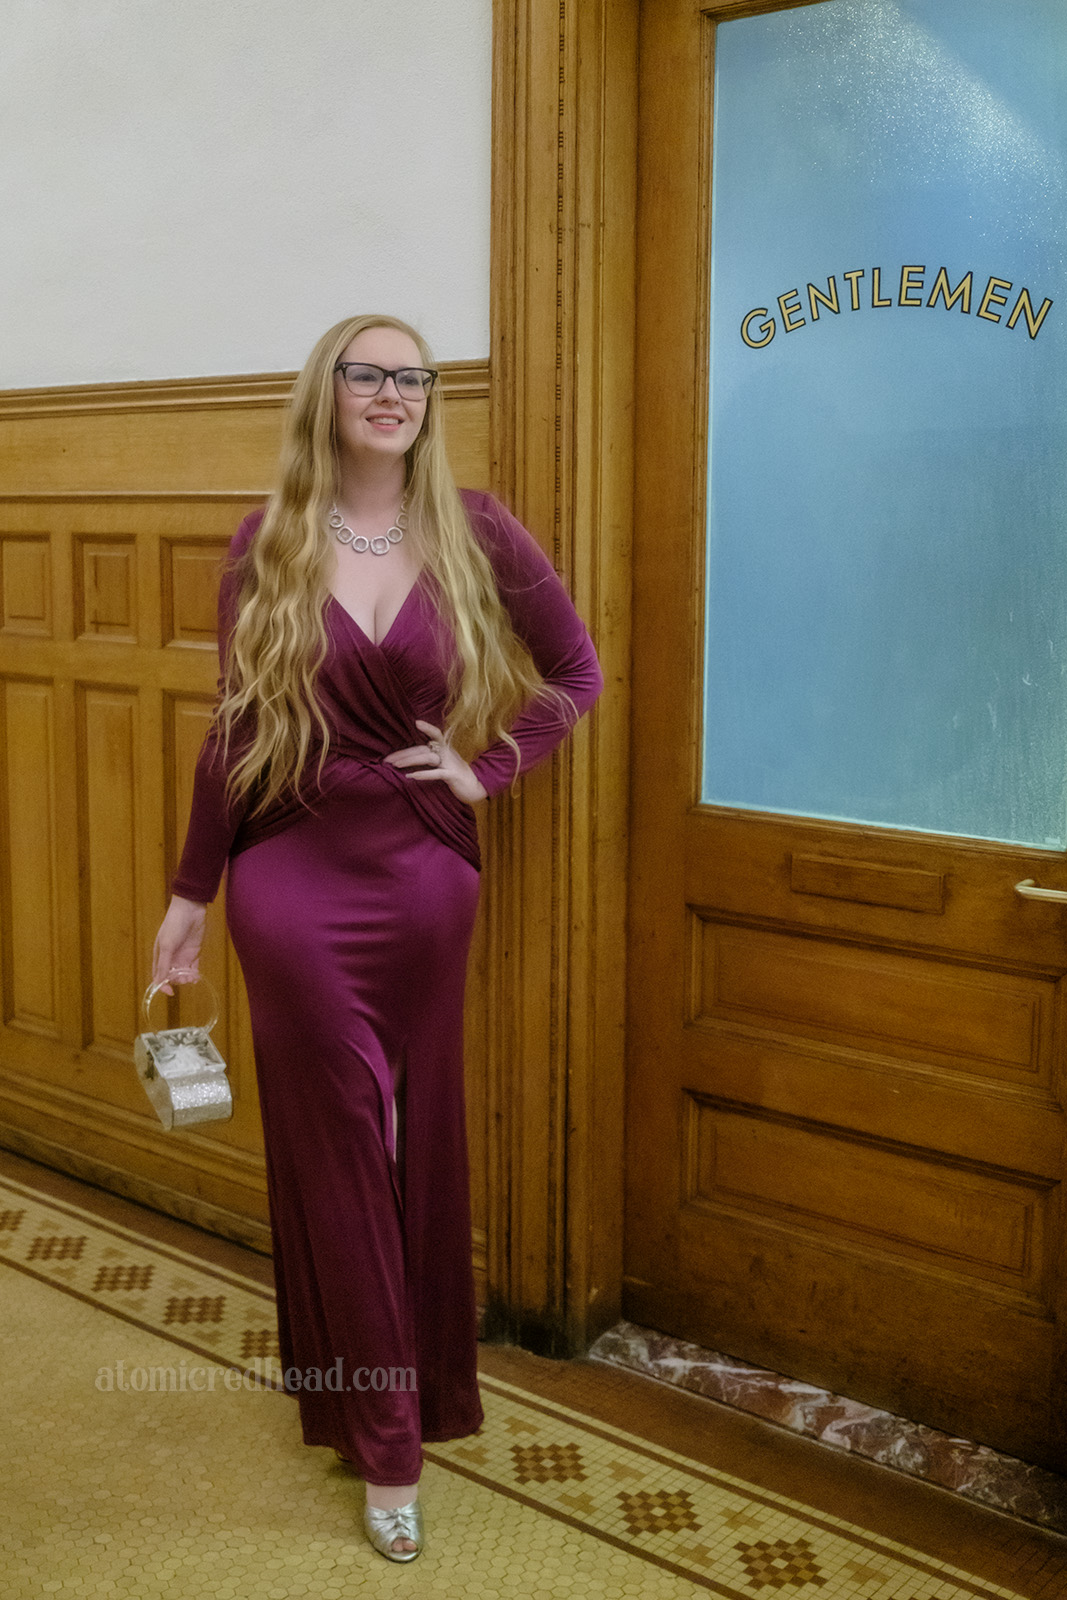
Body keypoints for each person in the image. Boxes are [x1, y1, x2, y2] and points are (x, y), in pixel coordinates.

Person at [150, 313, 603, 1562]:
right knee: (340, 1139)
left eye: (413, 375)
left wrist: (485, 766)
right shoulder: (270, 540)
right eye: (370, 372)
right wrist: (192, 897)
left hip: (424, 871)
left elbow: (574, 672)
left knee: (419, 1132)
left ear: (428, 399)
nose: (394, 392)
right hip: (290, 870)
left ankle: (405, 1383)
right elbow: (233, 731)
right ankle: (388, 1438)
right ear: (328, 390)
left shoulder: (477, 527)